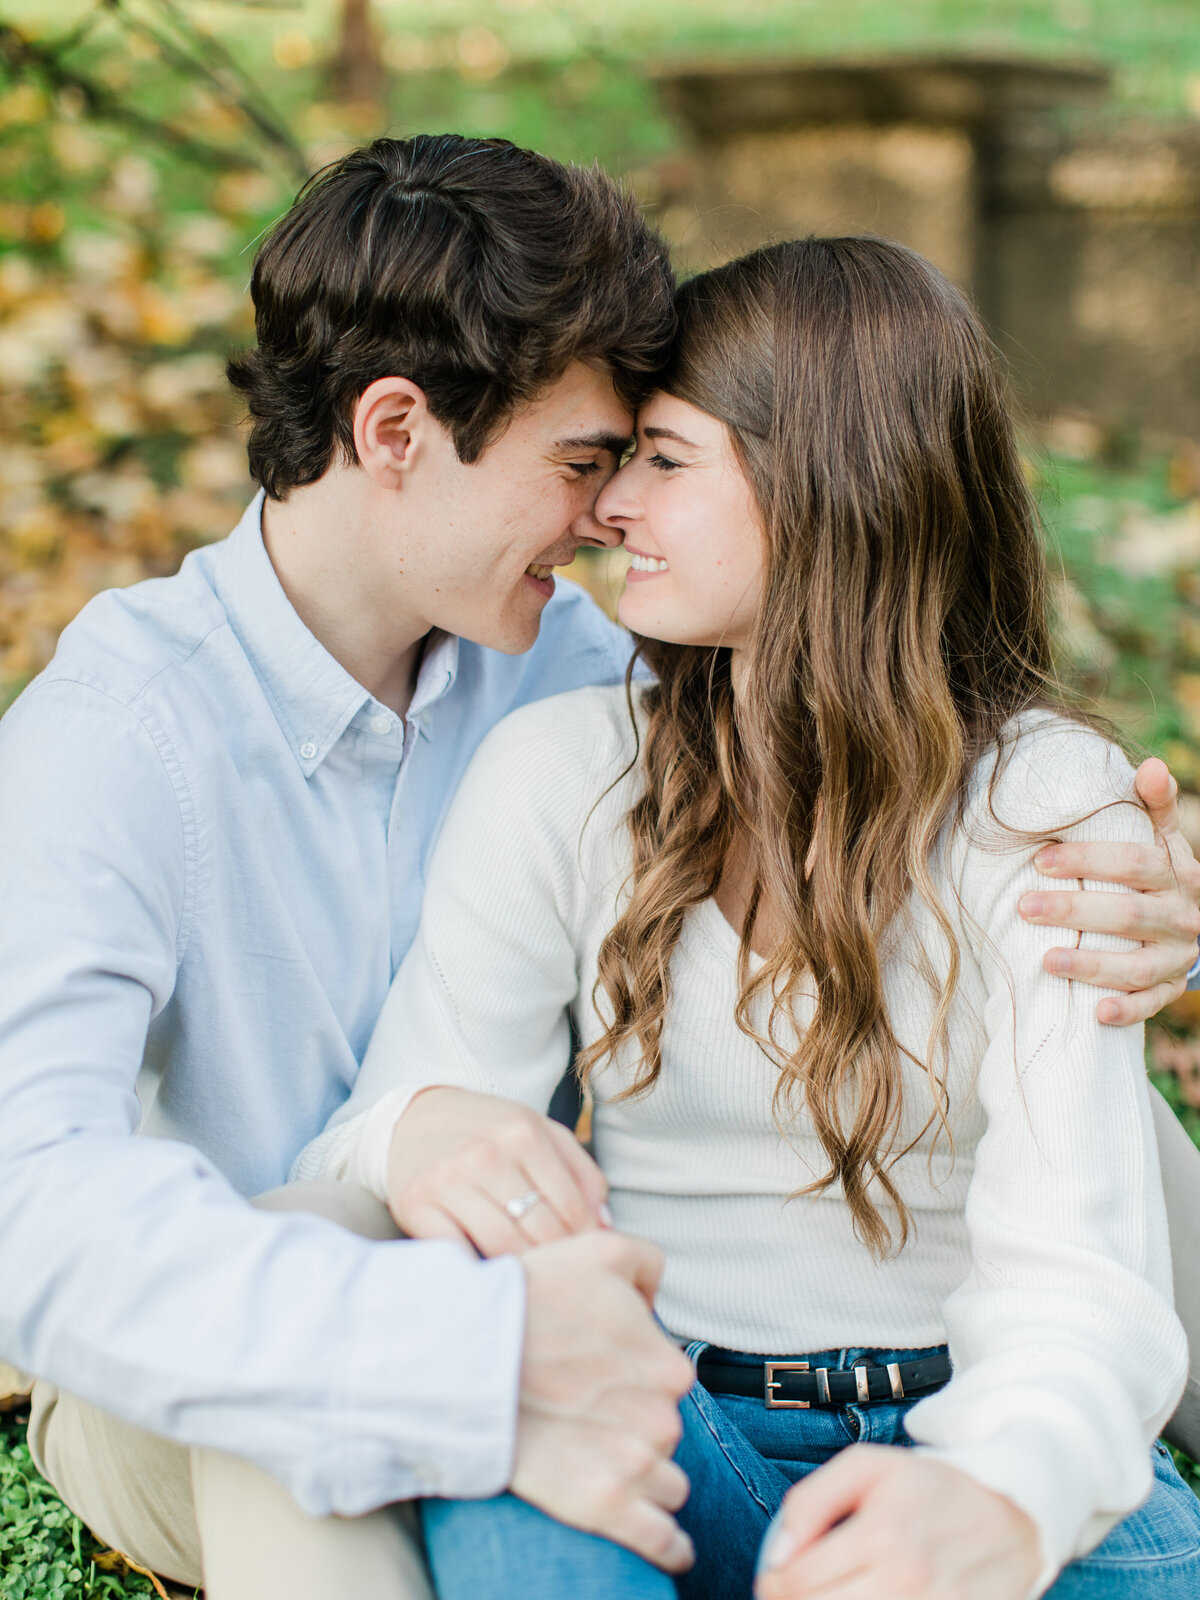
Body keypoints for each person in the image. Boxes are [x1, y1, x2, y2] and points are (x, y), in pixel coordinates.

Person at [0, 135, 1195, 1598]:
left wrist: (1139, 898)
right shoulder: (116, 740)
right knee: (327, 1299)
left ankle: (1073, 1454)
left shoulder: (577, 657)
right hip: (234, 1330)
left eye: (640, 463)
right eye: (586, 463)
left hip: (565, 1284)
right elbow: (30, 1217)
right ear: (394, 433)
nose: (604, 515)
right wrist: (468, 1312)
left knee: (1106, 1127)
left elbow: (893, 750)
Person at [299, 236, 1200, 1600]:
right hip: (659, 1424)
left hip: (970, 1433)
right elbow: (391, 1127)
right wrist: (422, 1121)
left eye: (667, 460)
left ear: (829, 476)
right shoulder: (564, 775)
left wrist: (999, 1498)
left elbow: (1083, 1277)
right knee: (514, 1521)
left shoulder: (1045, 805)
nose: (611, 510)